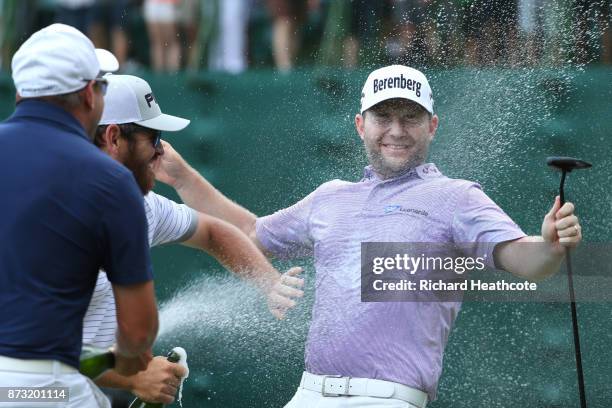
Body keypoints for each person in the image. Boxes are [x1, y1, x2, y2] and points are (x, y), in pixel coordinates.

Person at [151, 65, 583, 407]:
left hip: (388, 398)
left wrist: (549, 245)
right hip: (310, 393)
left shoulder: (456, 197)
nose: (396, 130)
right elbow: (248, 233)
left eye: (410, 117)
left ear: (432, 126)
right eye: (383, 117)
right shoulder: (330, 197)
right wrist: (180, 175)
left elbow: (528, 262)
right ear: (361, 124)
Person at [84, 74, 304, 406]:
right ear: (114, 138)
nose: (161, 151)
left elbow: (216, 233)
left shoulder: (142, 206)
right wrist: (130, 375)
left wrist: (268, 283)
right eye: (153, 137)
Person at [0, 24, 158, 407]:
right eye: (102, 87)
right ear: (90, 95)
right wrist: (128, 356)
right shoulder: (111, 181)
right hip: (42, 389)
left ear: (22, 93)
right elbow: (138, 331)